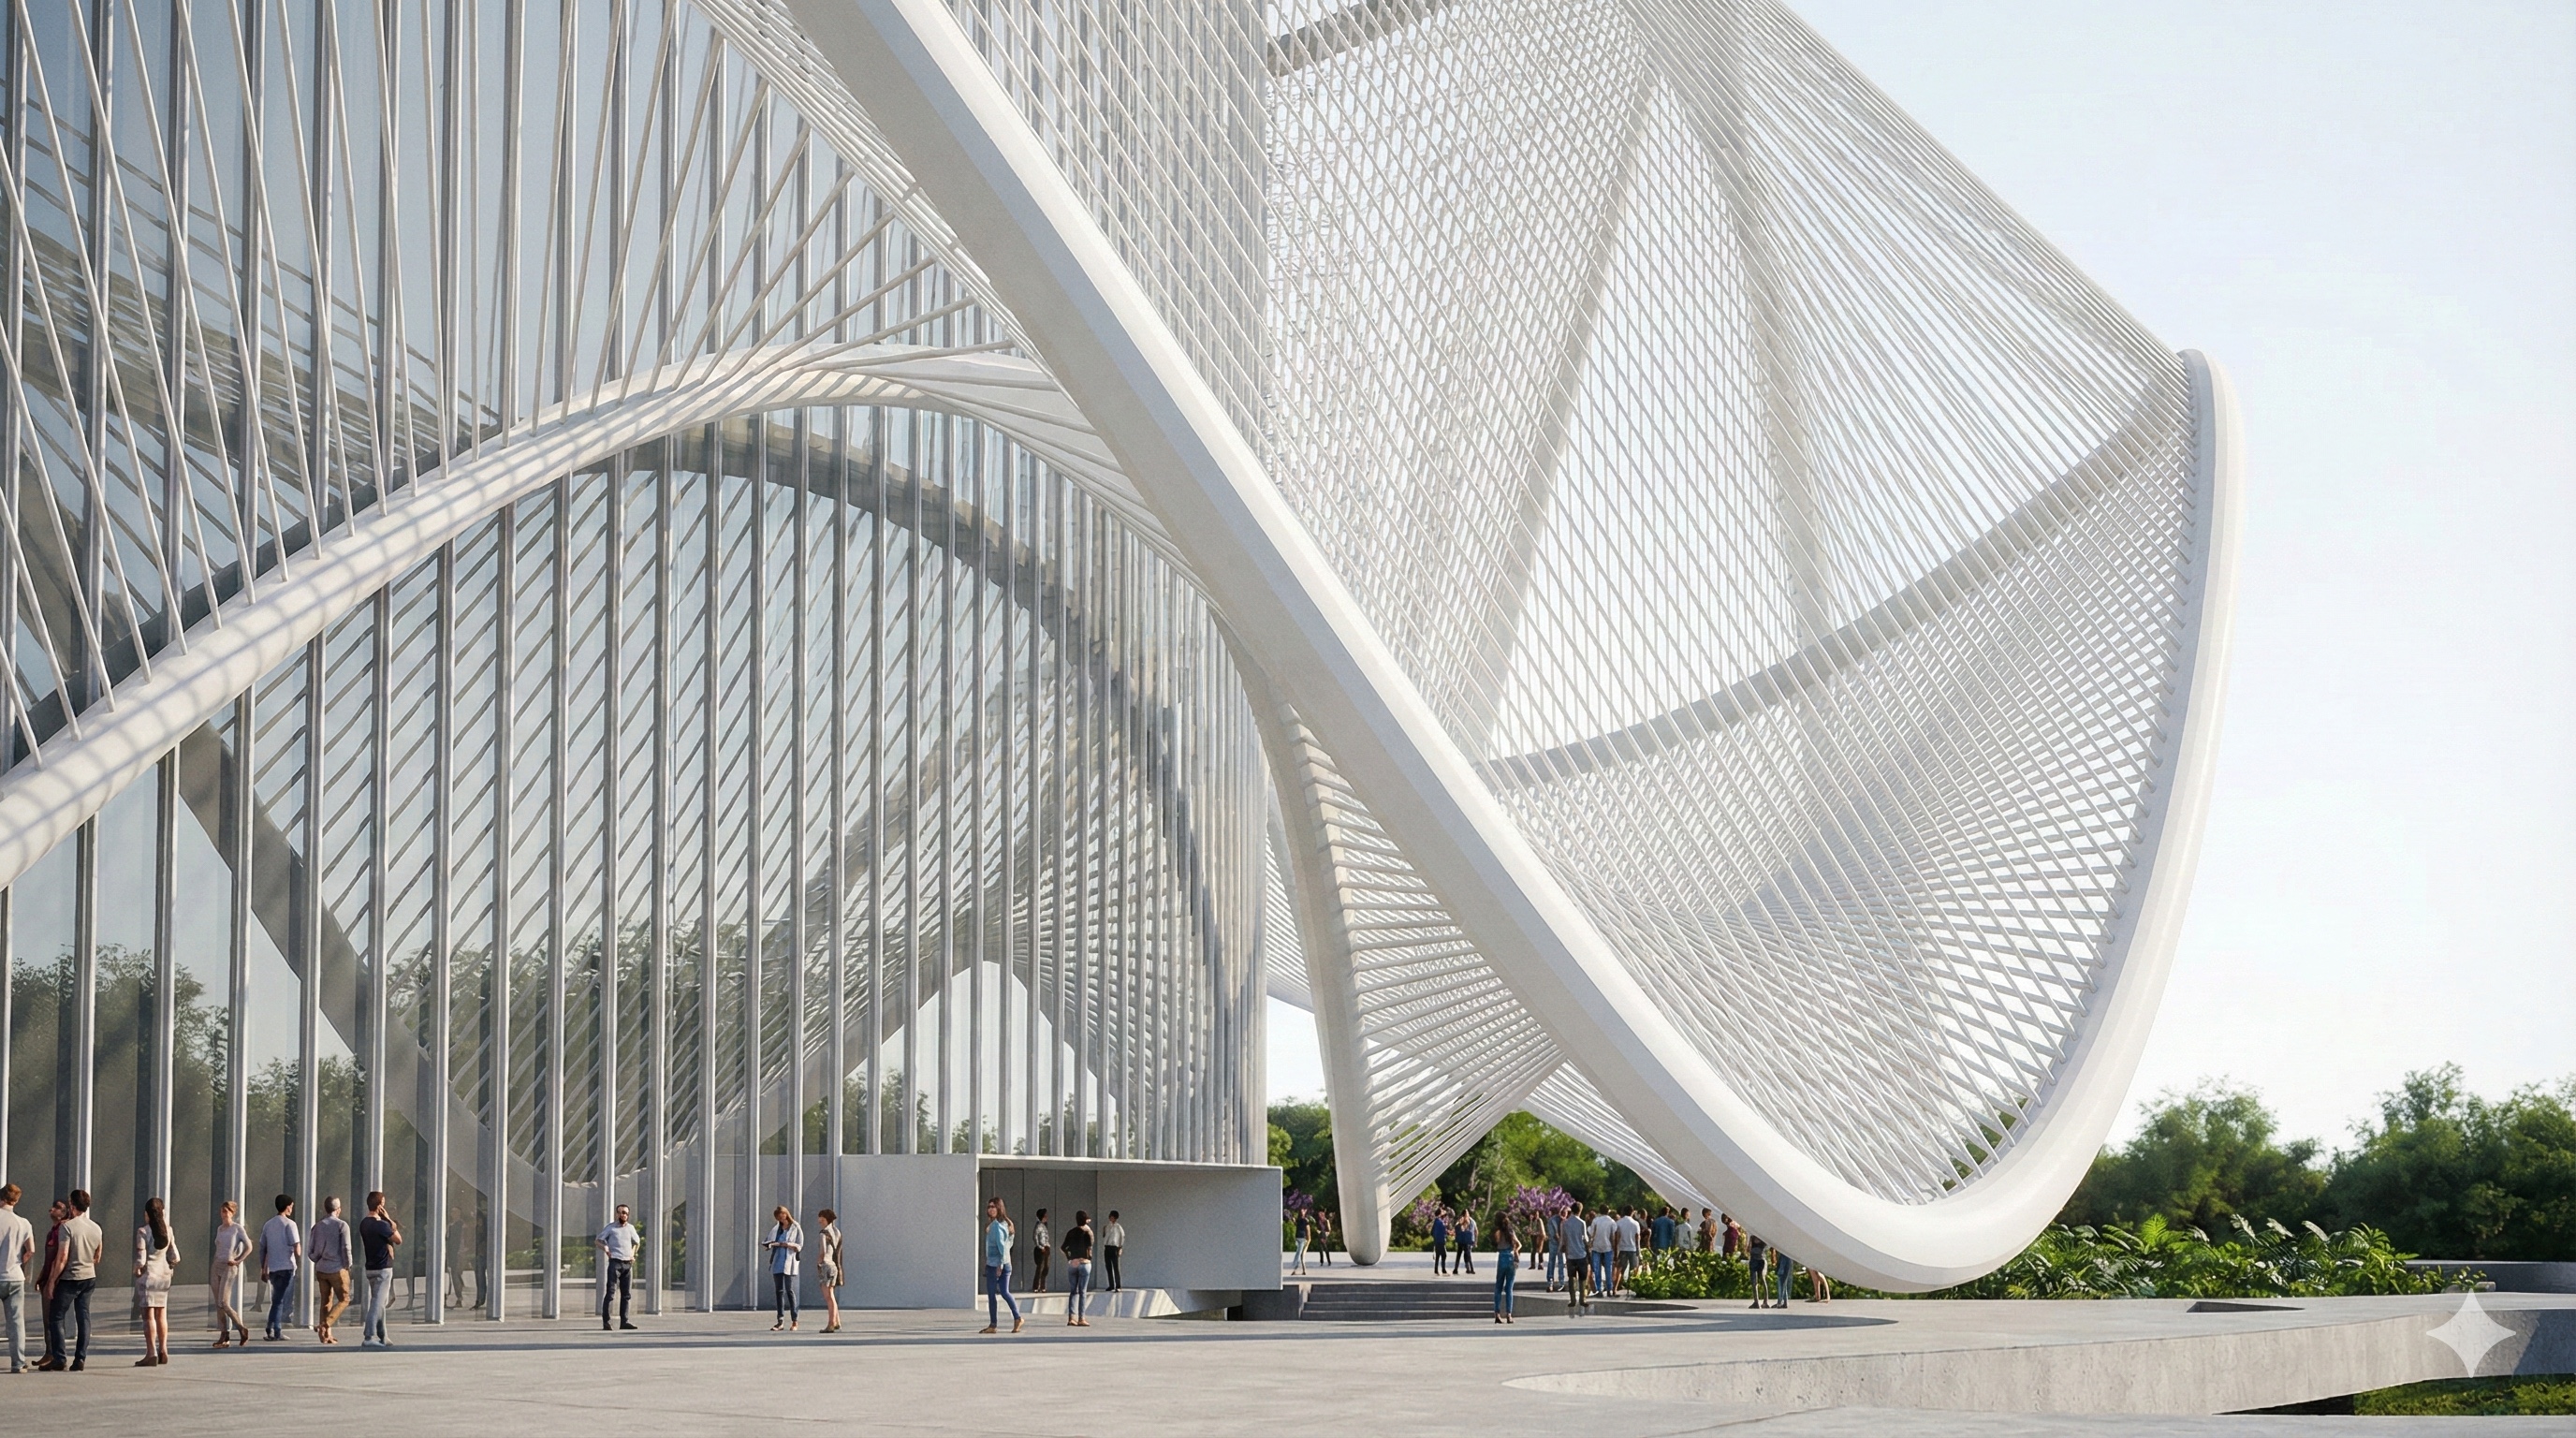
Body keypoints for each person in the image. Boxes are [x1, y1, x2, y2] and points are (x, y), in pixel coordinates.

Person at [49, 1188, 101, 1372]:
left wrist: (52, 1280)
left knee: (56, 1316)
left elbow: (62, 1257)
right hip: (89, 1276)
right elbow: (97, 1257)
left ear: (72, 1205)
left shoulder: (67, 1227)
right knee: (83, 1316)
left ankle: (59, 1357)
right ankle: (80, 1358)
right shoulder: (96, 1228)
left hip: (70, 1277)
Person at [133, 1196, 180, 1367]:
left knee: (148, 1316)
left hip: (149, 1276)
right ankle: (164, 1350)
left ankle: (151, 1352)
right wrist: (170, 1266)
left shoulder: (143, 1232)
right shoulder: (169, 1230)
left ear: (147, 1213)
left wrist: (136, 1270)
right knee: (161, 1314)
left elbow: (141, 1259)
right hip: (164, 1275)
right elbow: (175, 1257)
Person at [358, 1193, 402, 1348]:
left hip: (370, 1268)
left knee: (380, 1302)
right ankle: (368, 1336)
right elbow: (398, 1239)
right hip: (383, 1268)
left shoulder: (364, 1223)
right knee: (377, 1302)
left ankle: (383, 1336)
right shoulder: (382, 1225)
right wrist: (388, 1218)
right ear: (380, 1205)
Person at [310, 1196, 353, 1344]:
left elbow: (311, 1250)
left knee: (326, 1301)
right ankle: (325, 1324)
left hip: (321, 1268)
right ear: (338, 1209)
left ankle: (325, 1335)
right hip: (337, 1268)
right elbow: (346, 1248)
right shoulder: (342, 1225)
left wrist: (317, 1259)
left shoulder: (317, 1226)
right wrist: (348, 1265)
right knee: (344, 1299)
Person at [210, 1200, 253, 1347]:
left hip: (229, 1266)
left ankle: (241, 1328)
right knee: (218, 1304)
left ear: (232, 1213)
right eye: (222, 1211)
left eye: (227, 1211)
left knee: (224, 1302)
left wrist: (238, 1260)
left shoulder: (237, 1229)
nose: (224, 1214)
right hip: (217, 1265)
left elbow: (249, 1246)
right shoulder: (220, 1229)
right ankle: (224, 1334)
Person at [258, 1195, 300, 1341]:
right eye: (291, 1206)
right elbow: (296, 1246)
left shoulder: (268, 1225)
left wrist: (264, 1268)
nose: (291, 1209)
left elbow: (263, 1248)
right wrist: (300, 1263)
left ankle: (271, 1328)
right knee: (280, 1301)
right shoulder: (290, 1224)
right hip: (287, 1267)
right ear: (287, 1207)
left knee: (277, 1299)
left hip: (274, 1268)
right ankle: (275, 1330)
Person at [978, 1196, 1021, 1335]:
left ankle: (993, 1325)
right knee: (1004, 1292)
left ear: (999, 1208)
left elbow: (1001, 1246)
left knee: (992, 1295)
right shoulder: (1004, 1224)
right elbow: (1009, 1244)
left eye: (993, 1206)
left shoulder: (997, 1226)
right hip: (1004, 1263)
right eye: (989, 1207)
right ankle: (1017, 1318)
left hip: (996, 1264)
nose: (990, 1209)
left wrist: (1000, 1265)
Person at [0, 1182, 31, 1373]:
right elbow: (31, 1250)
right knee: (16, 1322)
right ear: (16, 1201)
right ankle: (18, 1363)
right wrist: (18, 1262)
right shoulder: (24, 1222)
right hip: (15, 1276)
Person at [595, 1202, 641, 1331]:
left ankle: (624, 1321)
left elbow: (637, 1242)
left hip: (627, 1264)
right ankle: (606, 1322)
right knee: (610, 1293)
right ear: (617, 1214)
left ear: (628, 1215)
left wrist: (633, 1254)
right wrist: (605, 1248)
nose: (623, 1215)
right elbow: (598, 1240)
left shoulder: (631, 1228)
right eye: (620, 1212)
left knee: (626, 1294)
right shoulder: (611, 1228)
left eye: (625, 1213)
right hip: (615, 1262)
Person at [34, 1196, 66, 1370]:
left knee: (53, 1318)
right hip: (48, 1278)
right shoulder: (52, 1232)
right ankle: (49, 1352)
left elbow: (60, 1258)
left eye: (57, 1207)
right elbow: (48, 1259)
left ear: (64, 1212)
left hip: (57, 1281)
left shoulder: (63, 1231)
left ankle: (55, 1354)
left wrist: (53, 1280)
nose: (51, 1210)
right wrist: (41, 1277)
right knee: (47, 1319)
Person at [762, 1205, 802, 1331]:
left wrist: (788, 1245)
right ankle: (780, 1321)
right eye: (778, 1217)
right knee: (779, 1291)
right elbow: (769, 1240)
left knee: (789, 1290)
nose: (780, 1219)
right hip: (778, 1261)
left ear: (786, 1214)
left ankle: (794, 1320)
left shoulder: (795, 1227)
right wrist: (769, 1245)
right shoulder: (777, 1229)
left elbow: (800, 1245)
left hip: (789, 1262)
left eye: (781, 1216)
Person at [1059, 1211, 1094, 1327]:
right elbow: (1090, 1246)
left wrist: (1070, 1258)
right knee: (1083, 1292)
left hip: (1073, 1264)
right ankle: (1081, 1318)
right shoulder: (1087, 1233)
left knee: (1073, 1291)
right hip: (1084, 1263)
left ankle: (1071, 1318)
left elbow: (1063, 1247)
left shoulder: (1071, 1232)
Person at [816, 1209, 844, 1333]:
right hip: (834, 1266)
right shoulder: (837, 1232)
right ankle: (837, 1322)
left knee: (828, 1297)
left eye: (821, 1219)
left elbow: (822, 1251)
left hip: (826, 1265)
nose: (819, 1221)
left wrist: (819, 1263)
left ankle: (831, 1324)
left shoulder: (823, 1234)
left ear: (826, 1219)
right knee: (831, 1295)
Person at [1491, 1218, 1518, 1325]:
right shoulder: (1511, 1231)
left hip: (1502, 1257)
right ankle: (1509, 1314)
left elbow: (1495, 1243)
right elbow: (1517, 1243)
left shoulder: (1498, 1233)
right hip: (1510, 1257)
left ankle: (1497, 1314)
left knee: (1498, 1287)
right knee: (1509, 1288)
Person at [1586, 1204, 1616, 1301]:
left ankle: (1599, 1289)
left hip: (1596, 1247)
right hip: (1608, 1247)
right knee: (1608, 1269)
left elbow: (1591, 1232)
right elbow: (1613, 1237)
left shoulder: (1596, 1221)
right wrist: (1614, 1249)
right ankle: (1609, 1289)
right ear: (1608, 1211)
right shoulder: (1611, 1222)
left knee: (1597, 1269)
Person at [1102, 1211, 1126, 1292]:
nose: (1111, 1218)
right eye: (1110, 1217)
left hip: (1115, 1247)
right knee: (1108, 1267)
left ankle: (1118, 1285)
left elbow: (1122, 1236)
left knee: (1116, 1267)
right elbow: (1104, 1236)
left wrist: (1120, 1247)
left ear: (1115, 1218)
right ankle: (1111, 1285)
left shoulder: (1118, 1227)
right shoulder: (1106, 1226)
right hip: (1107, 1247)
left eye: (1113, 1217)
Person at [1746, 1232, 1771, 1310]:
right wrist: (1750, 1240)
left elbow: (1767, 1247)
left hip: (1761, 1260)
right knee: (1754, 1281)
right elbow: (1748, 1249)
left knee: (1763, 1279)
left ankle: (1765, 1301)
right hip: (1753, 1260)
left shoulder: (1763, 1238)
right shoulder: (1752, 1238)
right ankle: (1756, 1301)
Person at [1030, 1208, 1051, 1294]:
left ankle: (1043, 1286)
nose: (1046, 1217)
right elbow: (1035, 1238)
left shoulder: (1045, 1226)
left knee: (1046, 1267)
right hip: (1041, 1248)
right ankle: (1036, 1286)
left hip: (1046, 1247)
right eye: (1045, 1216)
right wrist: (1040, 1247)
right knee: (1040, 1268)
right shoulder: (1038, 1226)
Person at [1455, 1208, 1477, 1276]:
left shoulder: (1462, 1221)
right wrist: (1475, 1240)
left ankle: (1457, 1269)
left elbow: (1458, 1228)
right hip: (1467, 1240)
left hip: (1462, 1240)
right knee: (1467, 1255)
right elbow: (1475, 1231)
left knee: (1460, 1255)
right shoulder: (1472, 1221)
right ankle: (1470, 1269)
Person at [1429, 1207, 1450, 1275]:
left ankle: (1436, 1269)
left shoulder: (1436, 1221)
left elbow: (1432, 1232)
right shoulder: (1440, 1222)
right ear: (1440, 1213)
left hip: (1437, 1241)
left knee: (1438, 1255)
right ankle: (1443, 1269)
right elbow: (1443, 1231)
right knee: (1444, 1255)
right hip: (1441, 1241)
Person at [1289, 1209, 1310, 1276]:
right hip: (1298, 1239)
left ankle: (1295, 1269)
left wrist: (1308, 1240)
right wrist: (1293, 1220)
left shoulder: (1305, 1221)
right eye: (1302, 1211)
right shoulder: (1299, 1220)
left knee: (1299, 1254)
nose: (1304, 1212)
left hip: (1302, 1239)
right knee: (1300, 1255)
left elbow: (1308, 1231)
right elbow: (1297, 1225)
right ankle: (1303, 1270)